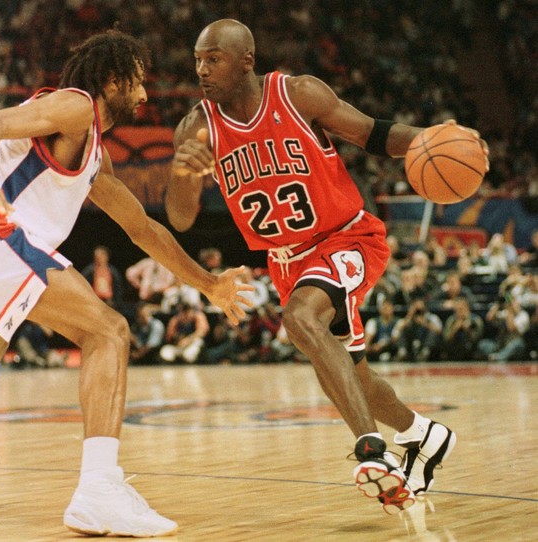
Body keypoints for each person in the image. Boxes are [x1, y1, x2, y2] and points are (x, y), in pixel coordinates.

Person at [165, 19, 488, 513]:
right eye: (197, 60)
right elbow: (181, 218)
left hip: (346, 238)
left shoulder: (297, 95)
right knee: (350, 373)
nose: (201, 70)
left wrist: (436, 138)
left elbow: (373, 135)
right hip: (285, 260)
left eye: (213, 58)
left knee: (301, 319)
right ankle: (423, 434)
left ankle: (371, 450)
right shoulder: (197, 127)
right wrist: (184, 172)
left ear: (247, 60)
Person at [0, 29, 254, 537]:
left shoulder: (94, 152)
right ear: (113, 79)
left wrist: (208, 283)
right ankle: (99, 488)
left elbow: (143, 229)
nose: (144, 94)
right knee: (108, 331)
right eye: (137, 82)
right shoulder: (75, 107)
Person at [81, 245, 125, 311]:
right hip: (94, 302)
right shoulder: (89, 271)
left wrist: (116, 302)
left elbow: (118, 287)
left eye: (101, 255)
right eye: (97, 256)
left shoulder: (112, 271)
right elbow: (83, 285)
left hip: (109, 303)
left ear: (106, 256)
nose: (99, 258)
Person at [441, 297, 484, 361]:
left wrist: (467, 329)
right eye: (458, 309)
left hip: (472, 348)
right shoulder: (451, 320)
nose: (460, 312)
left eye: (462, 309)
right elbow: (446, 338)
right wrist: (455, 329)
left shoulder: (475, 320)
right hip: (454, 348)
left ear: (467, 308)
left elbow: (477, 337)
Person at [364, 298, 399, 362]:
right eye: (384, 307)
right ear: (380, 309)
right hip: (375, 352)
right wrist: (371, 348)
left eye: (388, 306)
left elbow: (395, 339)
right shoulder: (372, 322)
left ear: (393, 309)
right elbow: (366, 343)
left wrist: (382, 345)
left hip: (391, 350)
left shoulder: (398, 322)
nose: (386, 309)